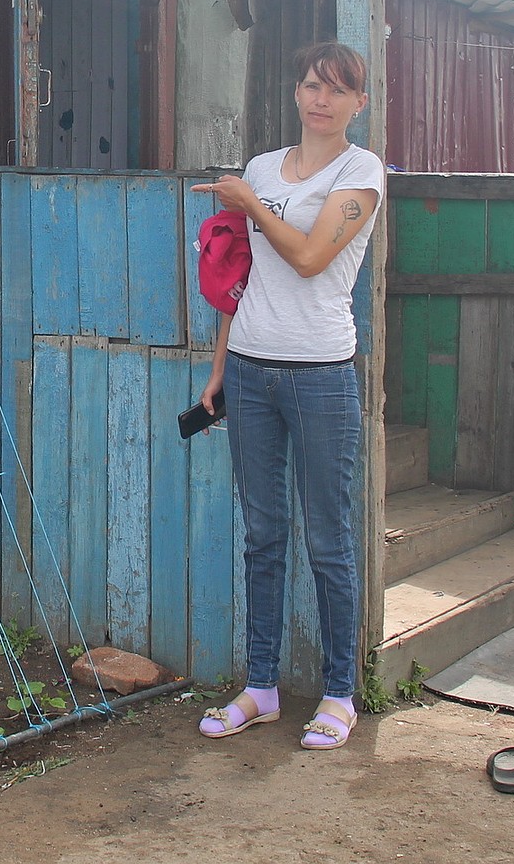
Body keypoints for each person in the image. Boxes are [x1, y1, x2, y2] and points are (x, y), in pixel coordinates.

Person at [190, 41, 384, 751]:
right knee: (263, 536)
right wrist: (218, 367)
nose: (320, 99)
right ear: (296, 92)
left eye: (336, 90)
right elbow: (237, 275)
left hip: (320, 375)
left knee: (329, 542)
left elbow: (307, 259)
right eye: (310, 85)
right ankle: (262, 687)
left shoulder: (363, 172)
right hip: (249, 369)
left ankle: (339, 693)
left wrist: (250, 205)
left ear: (357, 103)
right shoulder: (263, 167)